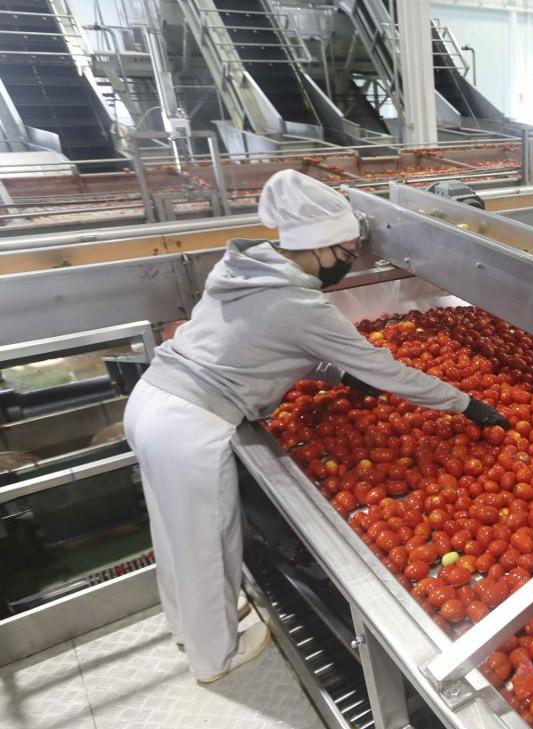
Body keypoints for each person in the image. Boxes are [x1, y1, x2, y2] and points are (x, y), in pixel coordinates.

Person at [124, 170, 510, 684]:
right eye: (347, 250)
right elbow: (387, 371)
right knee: (206, 541)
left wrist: (338, 373)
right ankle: (214, 658)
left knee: (172, 532)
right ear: (319, 247)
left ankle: (186, 626)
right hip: (191, 423)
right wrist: (466, 404)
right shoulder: (300, 303)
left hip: (153, 399)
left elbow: (266, 344)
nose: (351, 260)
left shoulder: (245, 268)